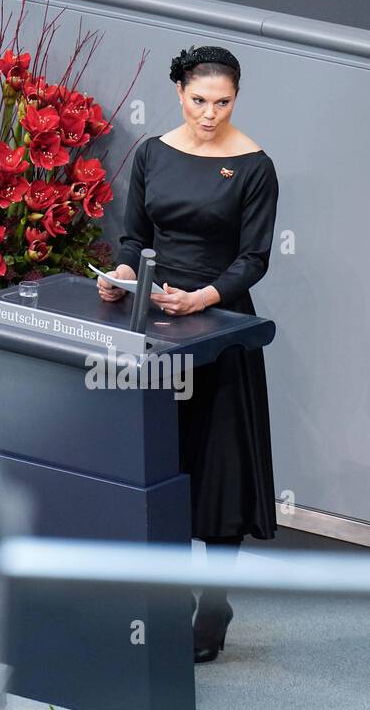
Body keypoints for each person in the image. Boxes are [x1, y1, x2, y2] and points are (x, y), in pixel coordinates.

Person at [98, 45, 280, 663]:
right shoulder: (151, 153)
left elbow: (253, 259)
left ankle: (216, 598)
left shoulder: (255, 166)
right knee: (163, 464)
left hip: (219, 327)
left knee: (218, 466)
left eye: (222, 102)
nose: (210, 113)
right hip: (154, 325)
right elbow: (134, 237)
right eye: (200, 100)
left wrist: (203, 298)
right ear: (179, 93)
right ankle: (168, 598)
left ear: (237, 98)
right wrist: (121, 273)